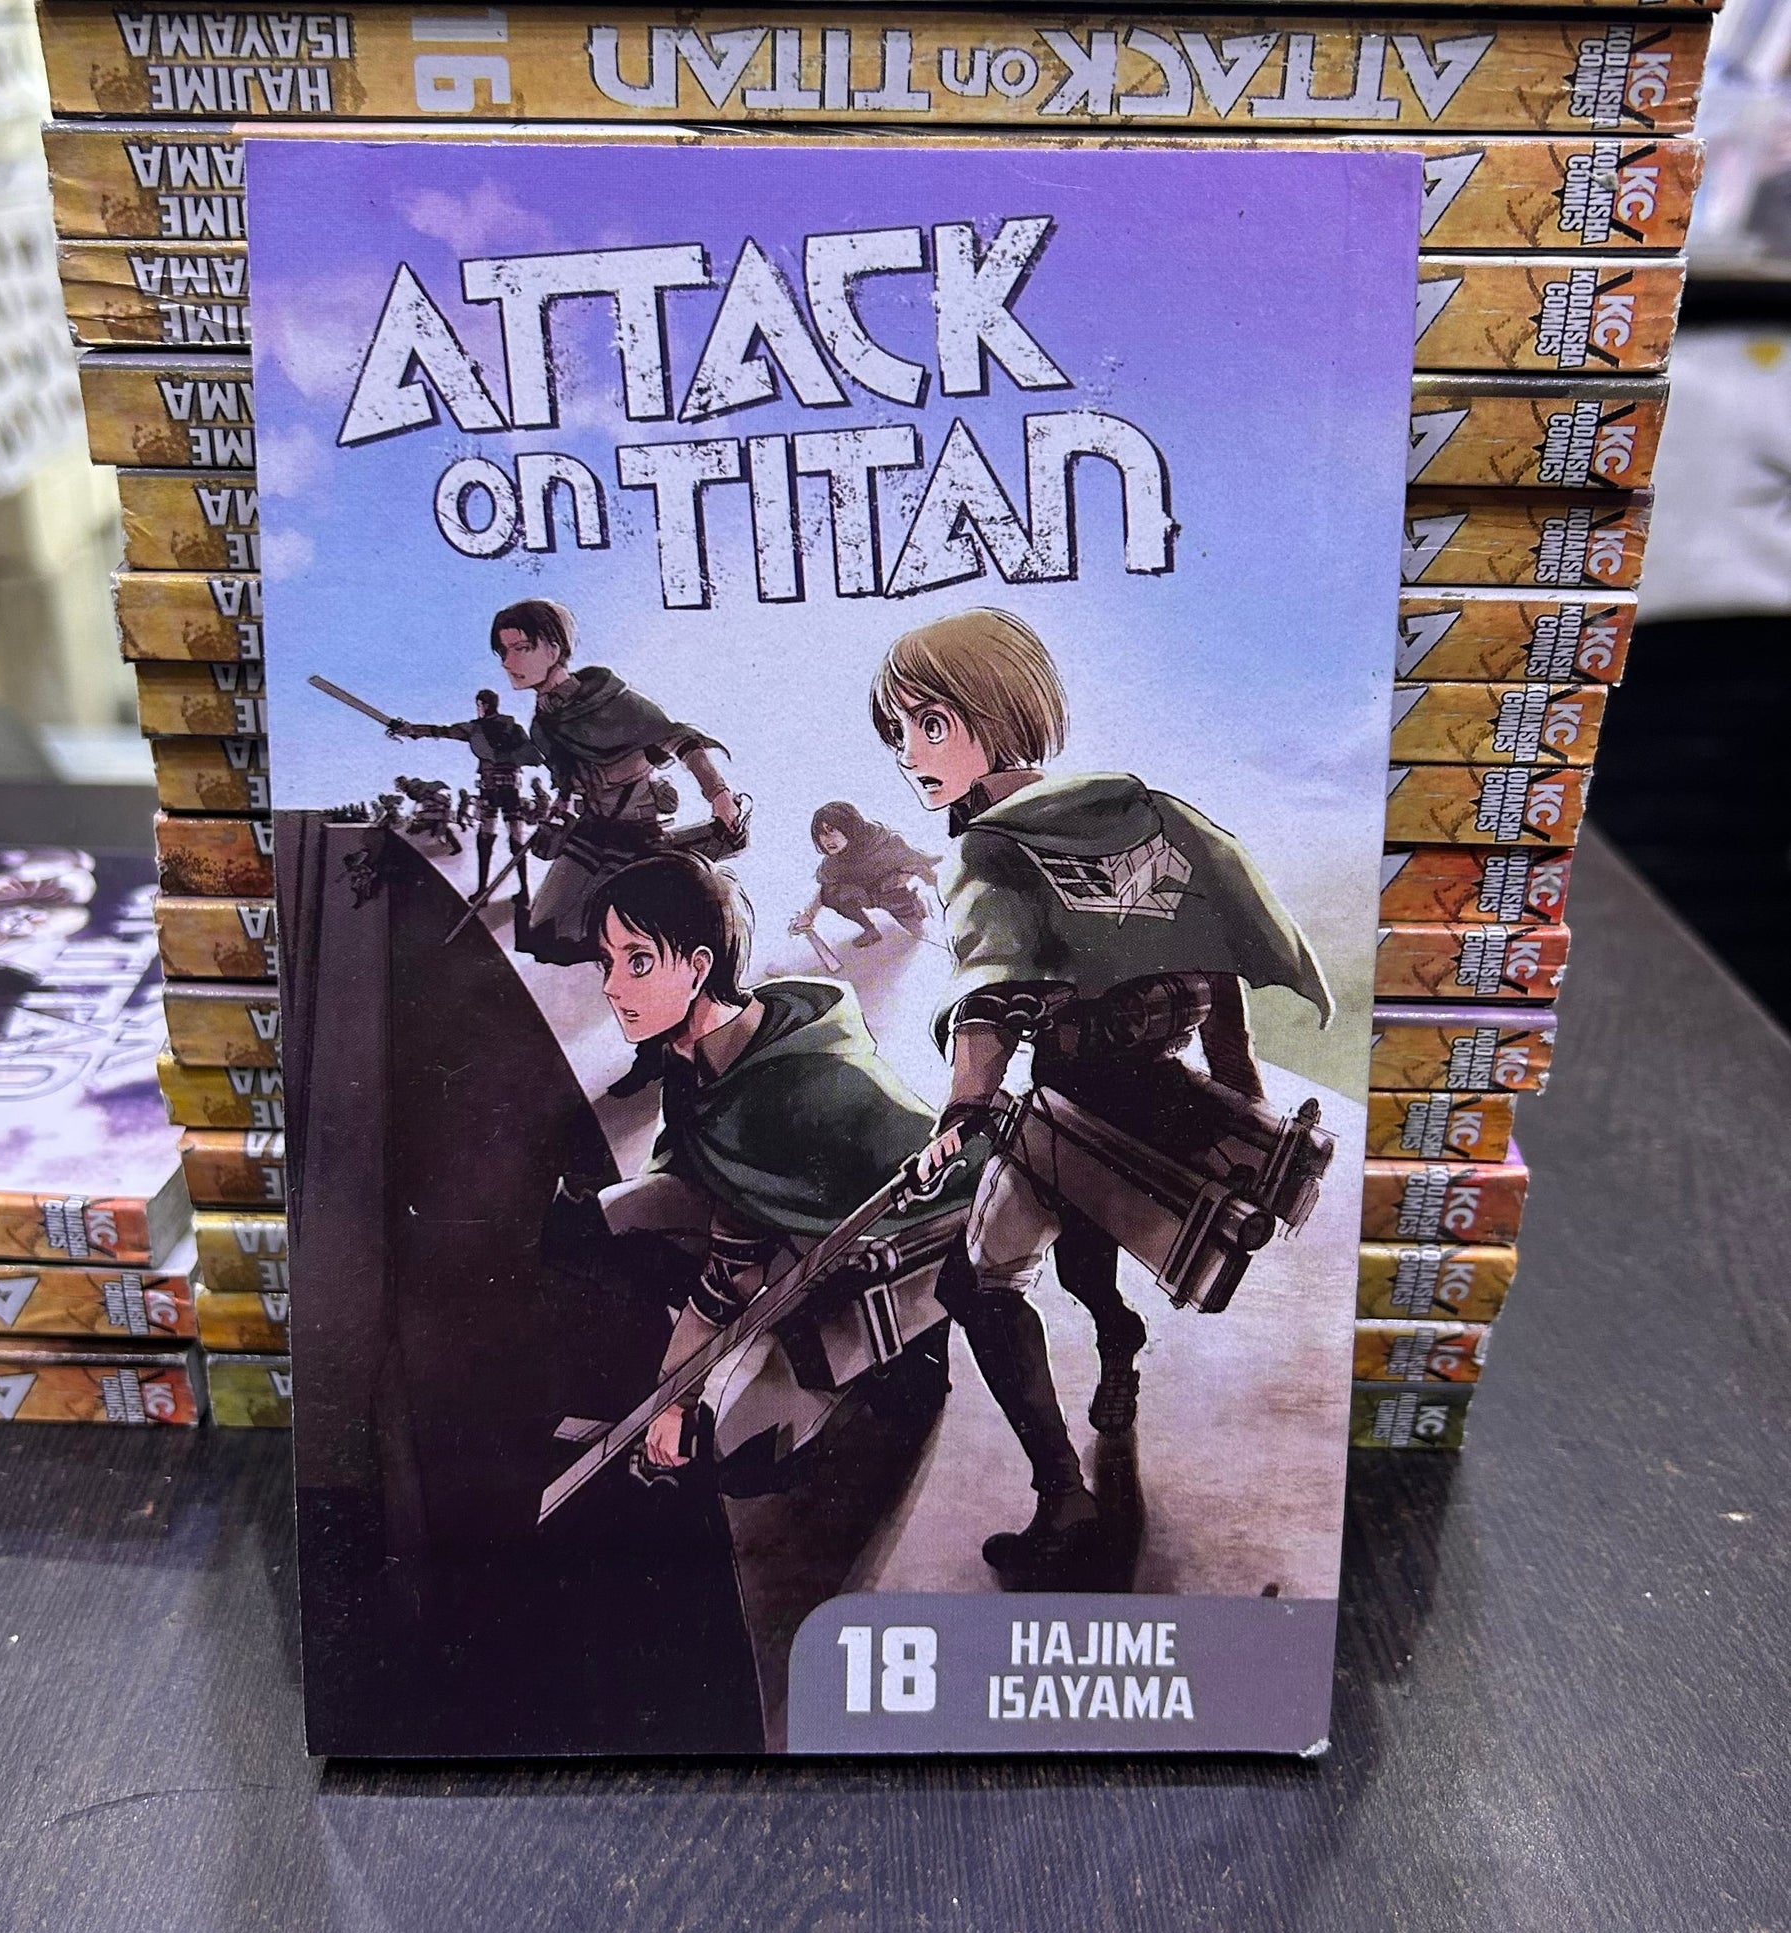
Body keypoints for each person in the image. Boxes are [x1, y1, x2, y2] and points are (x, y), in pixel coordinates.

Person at [870, 607, 1332, 1579]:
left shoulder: (989, 850)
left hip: (1083, 1105)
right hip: (1141, 1098)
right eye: (898, 729)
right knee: (1083, 1265)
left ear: (1000, 712)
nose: (908, 752)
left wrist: (961, 1113)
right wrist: (1238, 1088)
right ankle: (1117, 1342)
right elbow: (1216, 958)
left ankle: (1064, 1499)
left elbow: (991, 999)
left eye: (930, 723)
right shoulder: (1145, 813)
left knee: (975, 1284)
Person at [541, 852, 967, 1478]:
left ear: (699, 968)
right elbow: (690, 1169)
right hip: (790, 1221)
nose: (612, 987)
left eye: (638, 962)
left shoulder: (775, 1097)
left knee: (728, 1452)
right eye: (609, 963)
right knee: (590, 1227)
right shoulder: (702, 1041)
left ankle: (896, 1363)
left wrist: (675, 1401)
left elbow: (730, 1277)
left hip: (902, 1245)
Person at [492, 600, 745, 971]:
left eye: (520, 648)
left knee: (621, 930)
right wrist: (556, 816)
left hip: (636, 834)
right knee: (545, 937)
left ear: (554, 649)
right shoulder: (542, 725)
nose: (507, 662)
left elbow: (681, 739)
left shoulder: (612, 700)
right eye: (503, 652)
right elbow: (567, 782)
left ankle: (684, 856)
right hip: (590, 833)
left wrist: (719, 794)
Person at [386, 689, 544, 900]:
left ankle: (490, 891)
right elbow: (533, 755)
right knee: (511, 837)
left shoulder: (479, 728)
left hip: (492, 787)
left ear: (482, 705)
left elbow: (442, 731)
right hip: (507, 787)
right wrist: (412, 730)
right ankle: (519, 891)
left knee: (489, 837)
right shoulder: (512, 728)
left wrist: (411, 729)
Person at [790, 801, 939, 950]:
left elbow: (919, 862)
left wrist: (923, 881)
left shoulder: (882, 842)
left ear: (848, 827)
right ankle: (870, 930)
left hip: (892, 893)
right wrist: (808, 916)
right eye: (821, 834)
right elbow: (825, 889)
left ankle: (917, 909)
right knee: (830, 894)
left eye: (831, 830)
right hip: (866, 895)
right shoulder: (833, 862)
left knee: (922, 935)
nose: (827, 839)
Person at [395, 776, 463, 855]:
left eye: (400, 787)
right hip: (437, 806)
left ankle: (452, 847)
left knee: (436, 826)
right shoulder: (416, 789)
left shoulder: (416, 790)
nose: (401, 790)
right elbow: (422, 801)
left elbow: (428, 799)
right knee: (435, 825)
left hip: (438, 806)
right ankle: (453, 846)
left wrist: (424, 812)